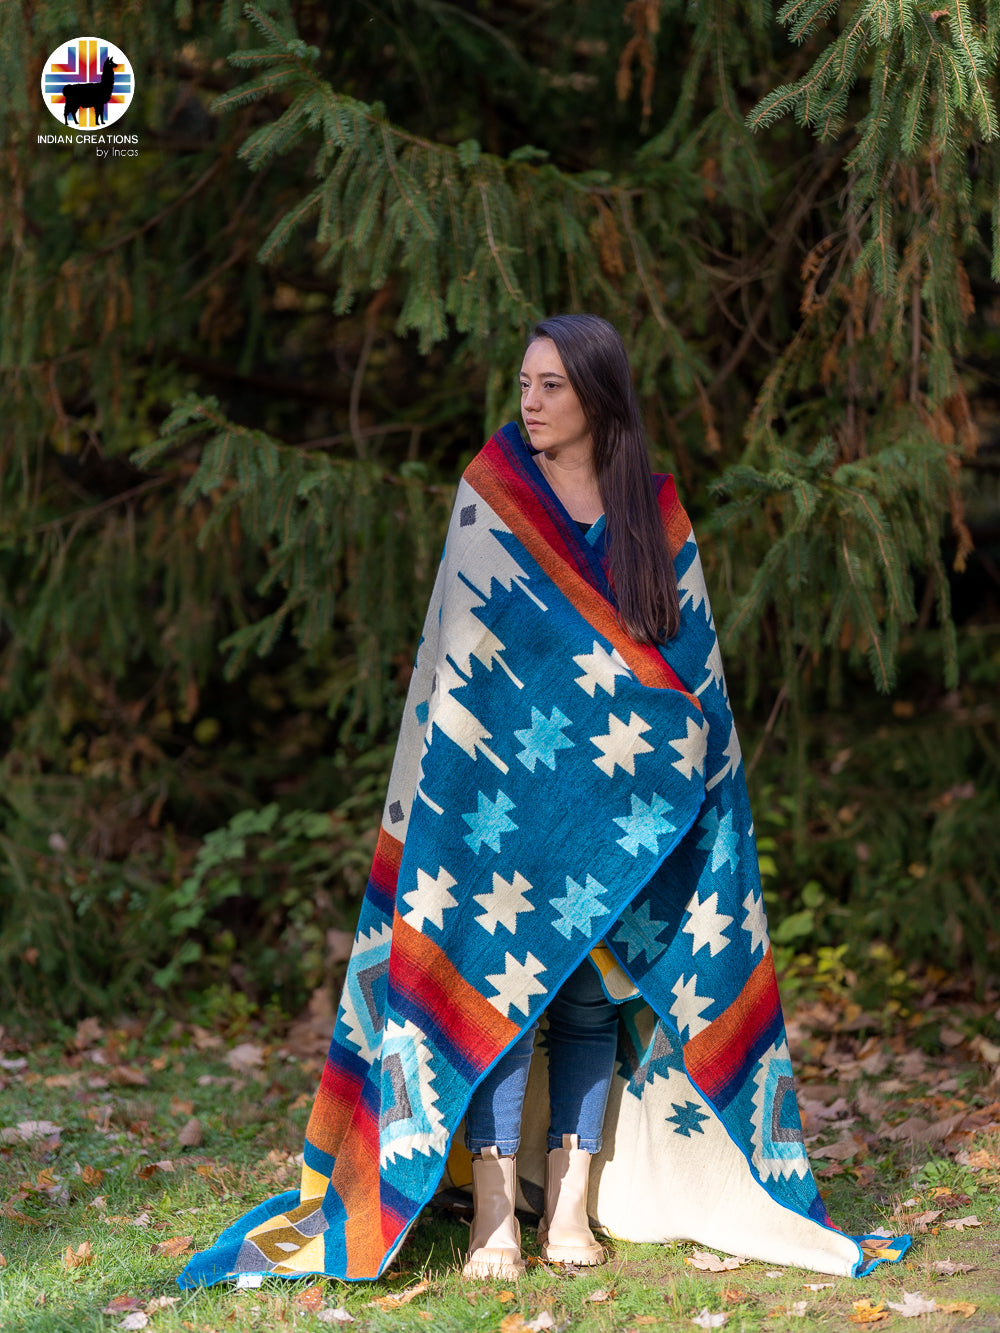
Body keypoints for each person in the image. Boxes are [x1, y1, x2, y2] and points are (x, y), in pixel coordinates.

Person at [179, 315, 910, 1291]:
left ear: (600, 397)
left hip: (622, 816)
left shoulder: (653, 510)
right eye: (525, 381)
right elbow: (464, 664)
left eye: (551, 385)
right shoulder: (491, 497)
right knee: (503, 994)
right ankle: (491, 1214)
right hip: (499, 806)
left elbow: (690, 663)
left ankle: (566, 1205)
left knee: (584, 1001)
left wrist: (679, 765)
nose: (529, 400)